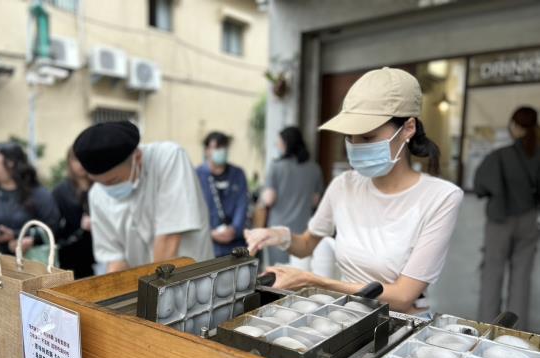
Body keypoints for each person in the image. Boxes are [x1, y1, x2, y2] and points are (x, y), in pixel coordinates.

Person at [245, 67, 464, 314]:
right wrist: (279, 236)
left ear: (408, 128)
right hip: (348, 316)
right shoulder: (344, 185)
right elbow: (306, 244)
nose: (356, 147)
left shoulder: (441, 198)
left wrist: (314, 281)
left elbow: (403, 296)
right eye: (350, 137)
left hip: (401, 326)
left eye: (368, 138)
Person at [72, 120, 213, 272]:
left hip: (190, 281)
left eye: (113, 180)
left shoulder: (169, 158)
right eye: (99, 182)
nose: (108, 188)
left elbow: (169, 240)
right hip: (145, 287)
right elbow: (115, 261)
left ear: (137, 157)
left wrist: (151, 292)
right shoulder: (97, 195)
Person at [474, 106, 540, 330]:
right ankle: (516, 331)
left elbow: (480, 186)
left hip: (500, 221)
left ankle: (488, 326)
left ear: (514, 126)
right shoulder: (537, 155)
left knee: (493, 273)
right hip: (530, 220)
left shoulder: (500, 156)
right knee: (521, 276)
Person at [0, 142, 60, 255]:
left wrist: (21, 236)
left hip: (32, 267)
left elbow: (53, 227)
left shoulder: (39, 195)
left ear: (10, 162)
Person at [262, 126, 324, 265]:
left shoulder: (276, 166)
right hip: (304, 232)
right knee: (300, 272)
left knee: (278, 275)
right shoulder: (314, 168)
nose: (277, 145)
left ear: (286, 144)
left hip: (278, 231)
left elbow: (268, 199)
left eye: (279, 142)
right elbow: (315, 201)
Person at [196, 131, 249, 257]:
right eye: (217, 147)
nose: (222, 151)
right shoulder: (197, 175)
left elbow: (242, 204)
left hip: (236, 244)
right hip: (208, 244)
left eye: (224, 147)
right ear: (207, 150)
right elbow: (193, 208)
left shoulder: (238, 174)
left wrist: (234, 229)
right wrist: (210, 232)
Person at [52, 149, 95, 278]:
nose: (81, 164)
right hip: (72, 252)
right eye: (76, 160)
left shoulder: (100, 184)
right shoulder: (61, 191)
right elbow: (54, 223)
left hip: (99, 249)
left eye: (83, 159)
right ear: (70, 162)